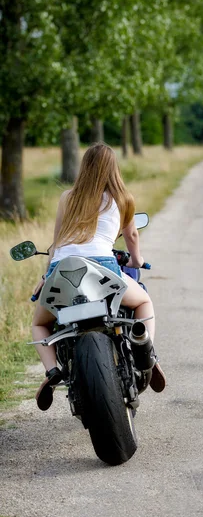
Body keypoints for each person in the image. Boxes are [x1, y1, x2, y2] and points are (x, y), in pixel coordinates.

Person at [32, 142, 166, 411]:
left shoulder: (67, 198)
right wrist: (137, 259)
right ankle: (145, 349)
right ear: (113, 168)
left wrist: (46, 275)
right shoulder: (122, 198)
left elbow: (57, 242)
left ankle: (51, 372)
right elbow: (132, 235)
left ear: (85, 168)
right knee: (143, 302)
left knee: (39, 323)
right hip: (103, 267)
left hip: (64, 270)